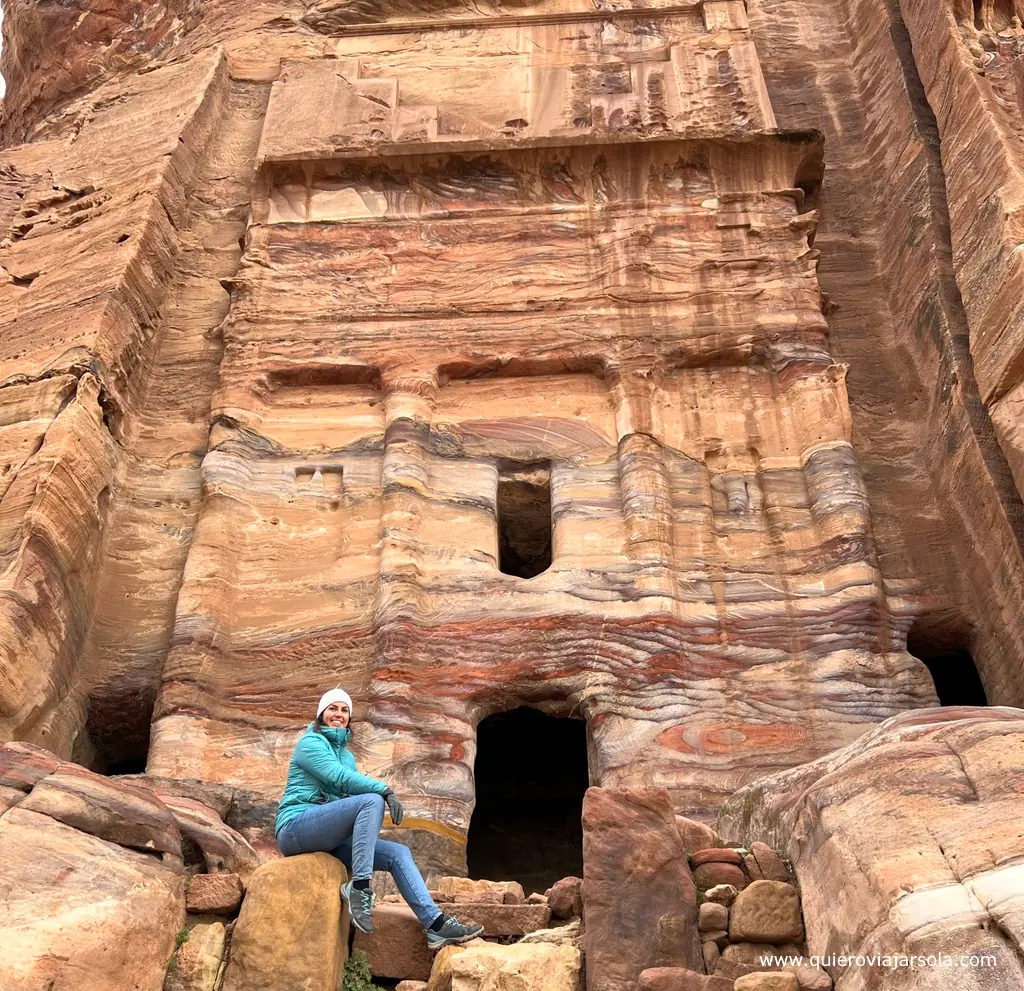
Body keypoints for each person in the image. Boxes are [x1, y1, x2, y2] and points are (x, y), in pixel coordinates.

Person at [275, 688, 484, 948]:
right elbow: (337, 778)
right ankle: (360, 887)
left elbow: (346, 797)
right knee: (371, 799)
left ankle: (436, 925)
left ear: (349, 717)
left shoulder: (347, 756)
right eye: (332, 708)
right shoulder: (311, 743)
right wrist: (384, 790)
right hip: (295, 828)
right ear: (321, 713)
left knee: (398, 853)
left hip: (326, 837)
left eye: (344, 710)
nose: (338, 715)